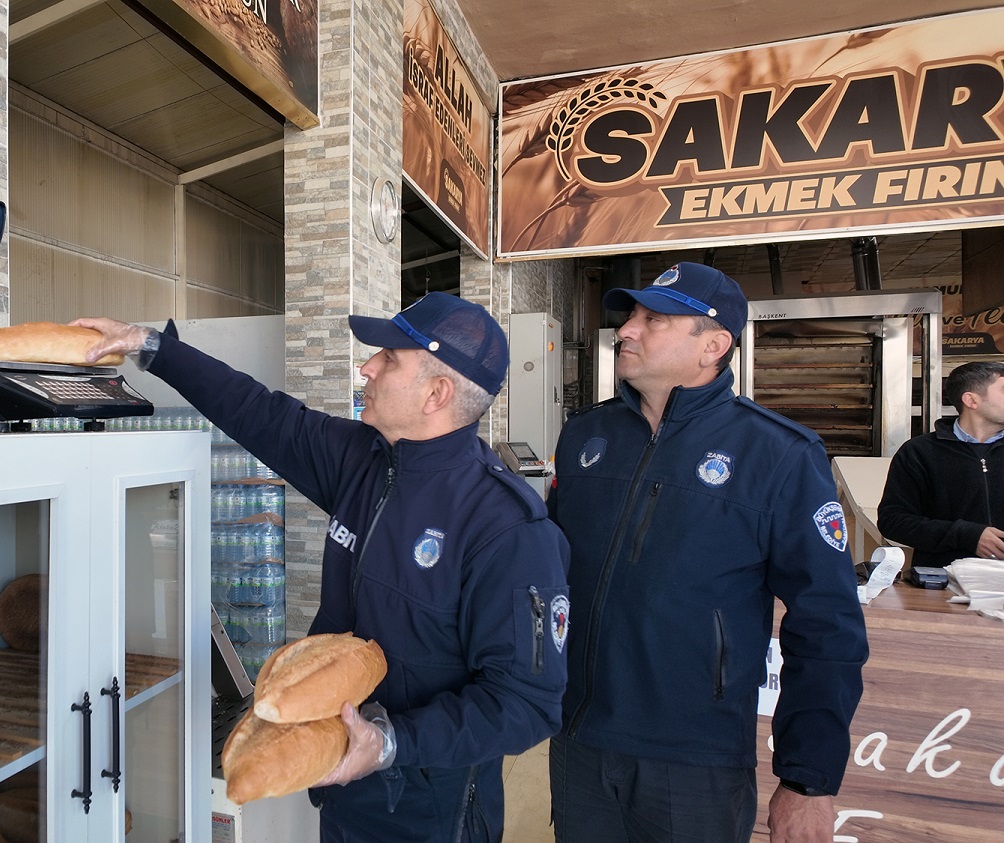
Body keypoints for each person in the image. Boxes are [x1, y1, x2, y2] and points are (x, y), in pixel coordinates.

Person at [74, 293, 570, 842]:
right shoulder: (365, 459)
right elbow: (258, 411)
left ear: (437, 393)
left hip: (428, 808)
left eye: (389, 358)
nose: (367, 367)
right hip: (341, 784)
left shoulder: (506, 528)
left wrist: (389, 742)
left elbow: (526, 704)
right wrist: (152, 346)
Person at [547, 262, 868, 843]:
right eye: (631, 316)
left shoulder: (779, 455)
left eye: (655, 320)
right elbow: (548, 573)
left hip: (694, 756)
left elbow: (828, 624)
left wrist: (808, 779)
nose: (627, 330)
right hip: (580, 738)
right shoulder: (585, 437)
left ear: (713, 346)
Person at [878, 360, 1004, 566]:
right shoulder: (919, 452)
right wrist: (966, 535)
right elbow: (893, 521)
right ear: (971, 400)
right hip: (941, 584)